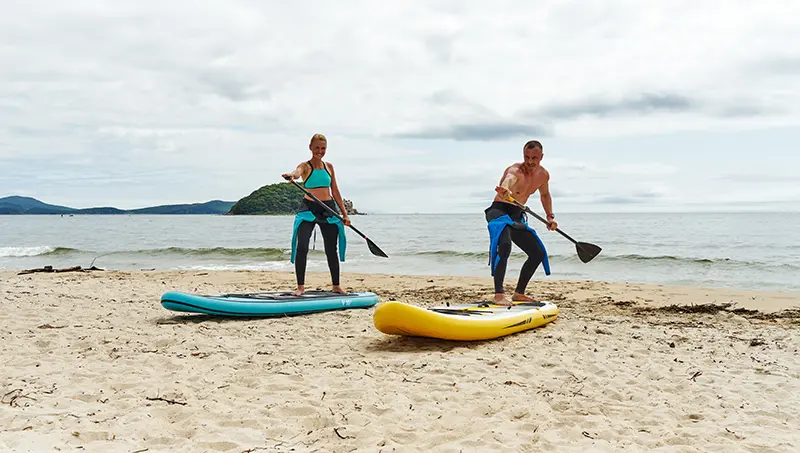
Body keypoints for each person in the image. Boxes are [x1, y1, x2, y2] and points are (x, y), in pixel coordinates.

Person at [485, 140, 557, 305]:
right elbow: (508, 180)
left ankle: (519, 293)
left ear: (542, 157)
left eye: (535, 158)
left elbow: (545, 195)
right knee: (504, 246)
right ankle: (498, 295)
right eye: (527, 157)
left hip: (517, 214)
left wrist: (549, 217)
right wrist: (505, 189)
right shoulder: (515, 170)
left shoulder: (543, 175)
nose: (530, 161)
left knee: (537, 253)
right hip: (499, 210)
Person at [281, 133, 351, 296]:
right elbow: (297, 172)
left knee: (331, 249)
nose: (320, 151)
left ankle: (336, 285)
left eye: (323, 148)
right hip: (309, 208)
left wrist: (345, 214)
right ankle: (300, 287)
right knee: (302, 246)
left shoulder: (329, 167)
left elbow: (335, 191)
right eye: (317, 148)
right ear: (310, 148)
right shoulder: (305, 166)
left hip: (328, 208)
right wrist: (292, 176)